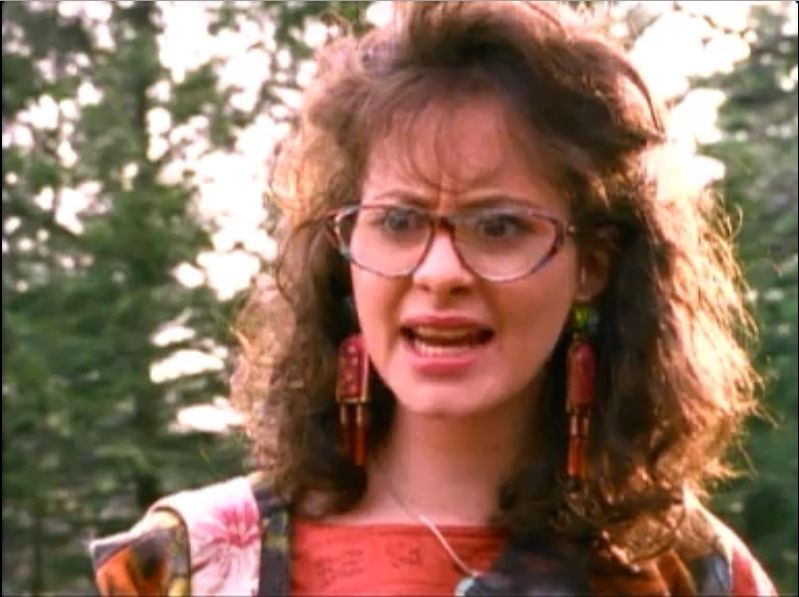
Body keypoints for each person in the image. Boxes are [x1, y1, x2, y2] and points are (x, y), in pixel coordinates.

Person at [89, 2, 779, 595]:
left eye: (499, 226)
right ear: (343, 250)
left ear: (591, 265)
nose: (440, 271)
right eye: (398, 221)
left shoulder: (688, 572)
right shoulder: (191, 565)